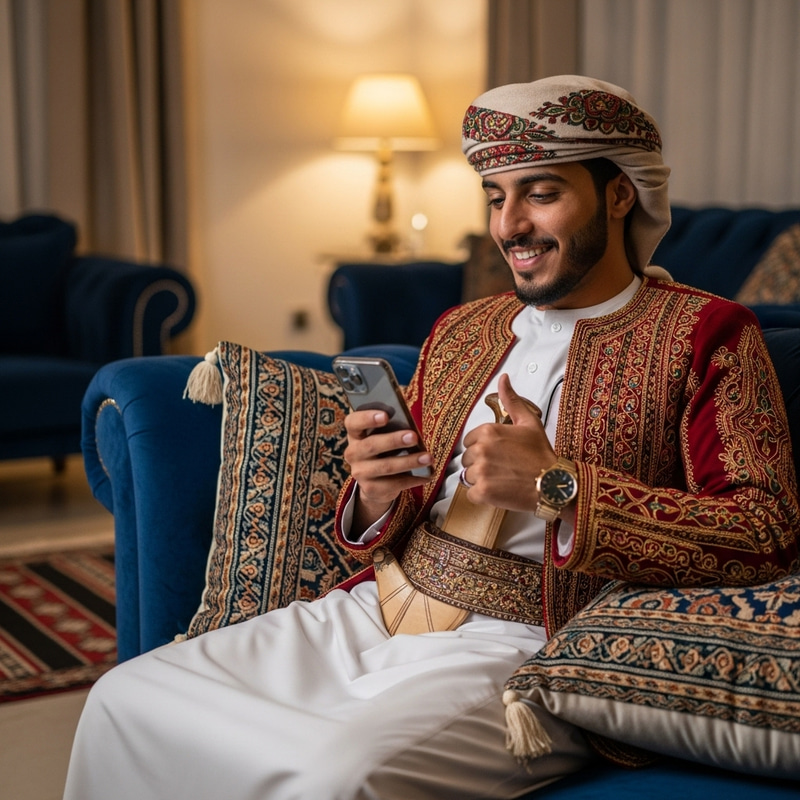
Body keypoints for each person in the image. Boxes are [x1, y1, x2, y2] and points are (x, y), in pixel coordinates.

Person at [63, 75, 799, 800]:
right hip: (377, 603)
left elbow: (765, 531)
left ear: (617, 194)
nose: (509, 225)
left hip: (531, 642)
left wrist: (559, 487)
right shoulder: (461, 329)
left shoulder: (705, 335)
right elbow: (396, 509)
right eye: (495, 198)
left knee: (335, 777)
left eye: (540, 194)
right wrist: (376, 492)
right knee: (126, 700)